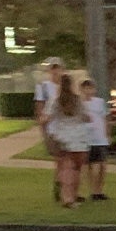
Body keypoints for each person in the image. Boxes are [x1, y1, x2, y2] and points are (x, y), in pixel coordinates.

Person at [46, 74, 92, 208]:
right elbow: (86, 117)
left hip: (63, 137)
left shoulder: (55, 101)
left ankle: (67, 198)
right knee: (77, 169)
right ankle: (74, 194)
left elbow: (47, 118)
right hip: (79, 138)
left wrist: (49, 133)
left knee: (66, 168)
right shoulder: (78, 100)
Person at [33, 58, 64, 202]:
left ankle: (66, 186)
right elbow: (40, 109)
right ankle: (59, 186)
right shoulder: (44, 87)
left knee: (68, 159)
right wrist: (43, 128)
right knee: (60, 159)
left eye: (58, 68)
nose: (55, 71)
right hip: (52, 127)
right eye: (53, 68)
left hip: (66, 125)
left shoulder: (66, 86)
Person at [80, 78, 110, 201]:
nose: (89, 91)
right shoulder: (80, 104)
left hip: (100, 137)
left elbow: (105, 118)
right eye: (86, 88)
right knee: (91, 165)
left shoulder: (99, 102)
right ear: (82, 90)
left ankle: (99, 190)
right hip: (87, 138)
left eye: (91, 88)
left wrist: (107, 134)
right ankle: (92, 191)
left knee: (102, 165)